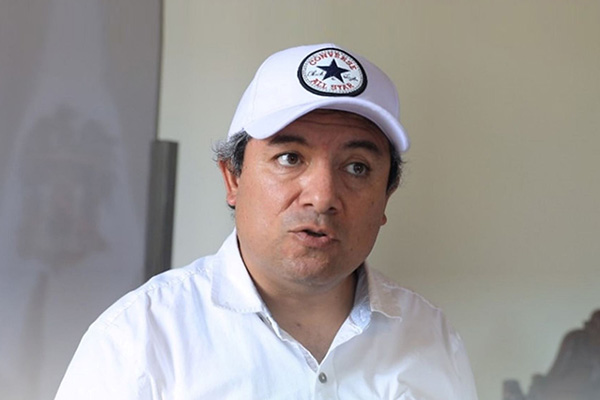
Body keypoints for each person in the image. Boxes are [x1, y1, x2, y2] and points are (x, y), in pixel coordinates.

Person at [55, 43, 478, 399]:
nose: (322, 197)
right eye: (290, 158)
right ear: (233, 178)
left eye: (357, 167)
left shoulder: (431, 338)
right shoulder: (139, 340)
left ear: (386, 196)